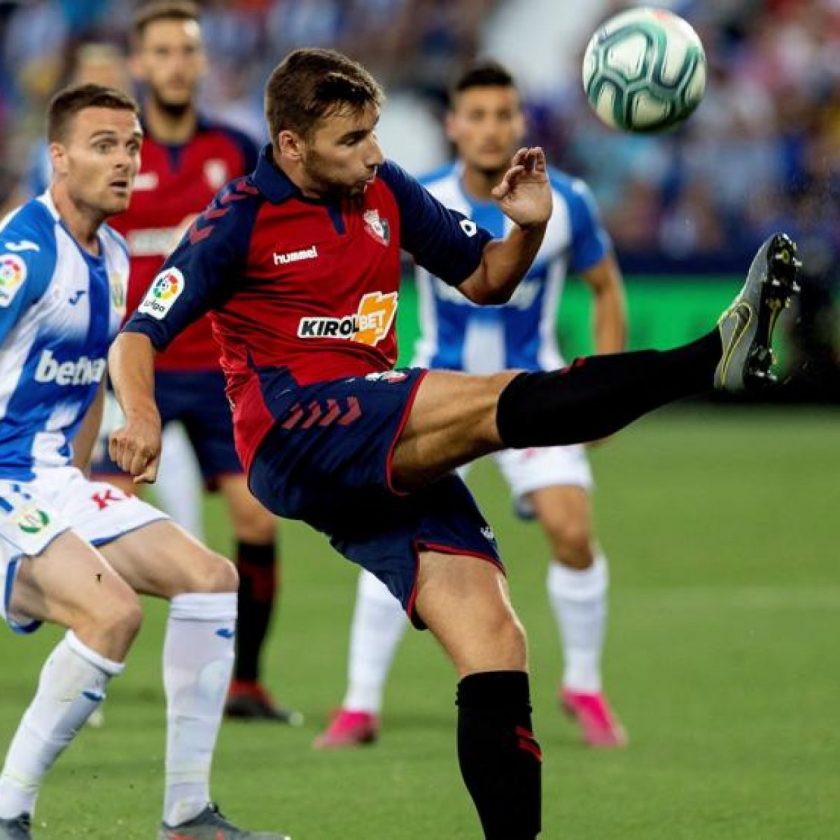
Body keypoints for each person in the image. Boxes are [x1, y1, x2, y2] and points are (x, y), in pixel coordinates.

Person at [108, 47, 799, 839]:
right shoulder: (237, 218)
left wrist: (528, 228)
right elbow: (139, 333)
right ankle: (711, 360)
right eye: (351, 140)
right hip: (294, 432)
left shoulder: (385, 189)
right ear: (291, 145)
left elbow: (487, 278)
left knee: (495, 638)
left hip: (371, 438)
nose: (373, 153)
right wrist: (141, 414)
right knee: (487, 401)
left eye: (373, 132)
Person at [0, 84, 287, 840]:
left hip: (54, 480)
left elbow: (92, 381)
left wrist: (81, 479)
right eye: (103, 146)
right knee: (113, 613)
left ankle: (187, 814)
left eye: (131, 145)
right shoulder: (22, 253)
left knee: (211, 579)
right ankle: (7, 813)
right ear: (58, 158)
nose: (125, 160)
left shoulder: (117, 255)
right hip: (4, 481)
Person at [315, 60, 629, 751]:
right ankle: (360, 703)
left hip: (530, 392)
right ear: (453, 125)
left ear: (520, 123)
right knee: (394, 536)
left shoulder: (566, 200)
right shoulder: (416, 197)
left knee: (571, 530)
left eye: (503, 115)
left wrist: (603, 389)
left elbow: (606, 287)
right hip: (439, 394)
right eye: (477, 116)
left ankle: (583, 686)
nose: (491, 129)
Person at [91, 0, 299, 723]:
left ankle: (247, 684)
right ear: (139, 63)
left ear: (204, 60)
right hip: (134, 367)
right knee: (100, 521)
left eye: (188, 50)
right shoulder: (116, 150)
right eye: (163, 51)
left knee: (257, 520)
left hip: (218, 372)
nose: (177, 64)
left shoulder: (236, 151)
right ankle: (88, 671)